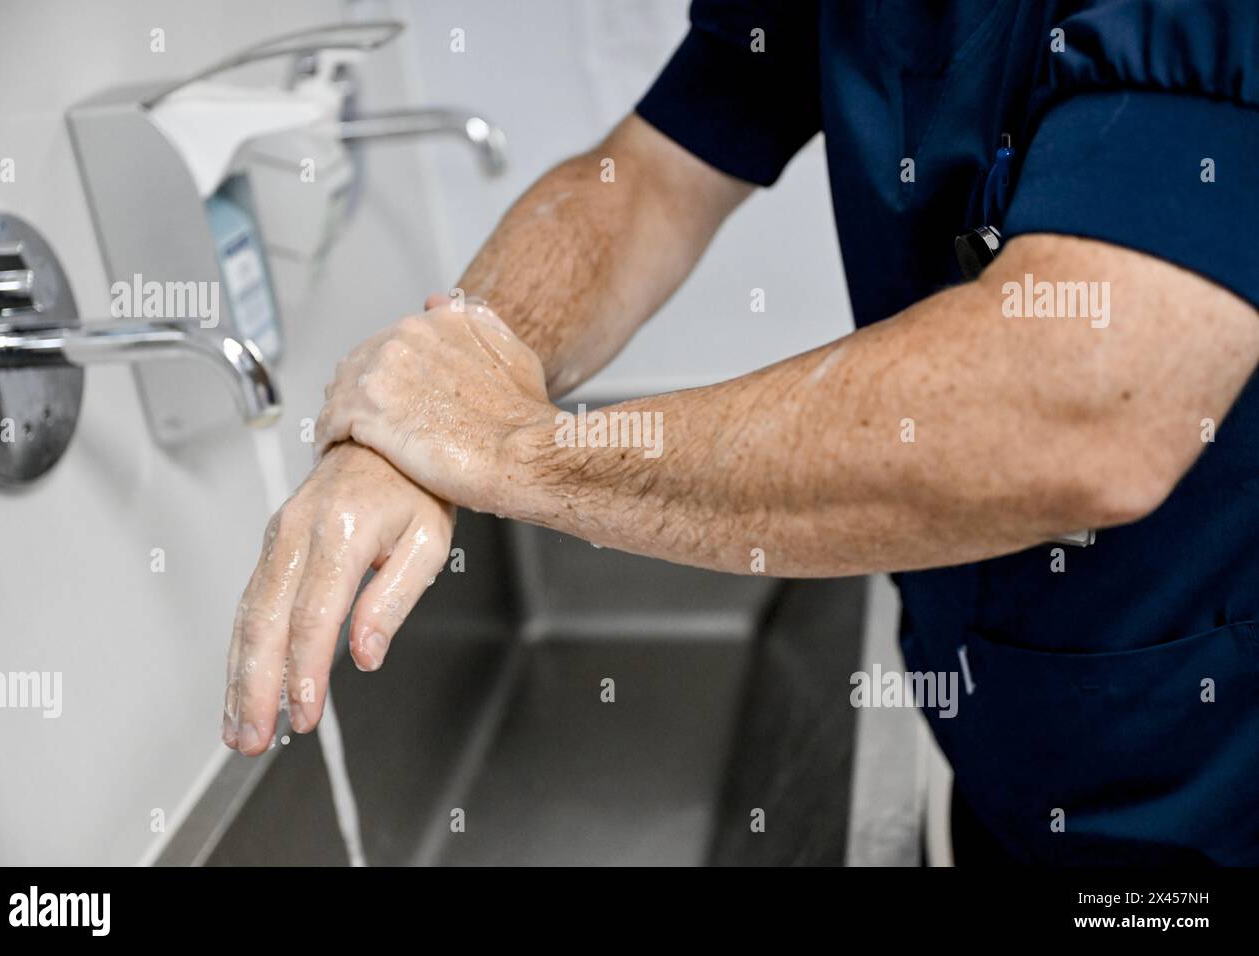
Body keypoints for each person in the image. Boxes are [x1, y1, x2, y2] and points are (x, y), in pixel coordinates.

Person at [223, 1, 1259, 864]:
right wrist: (452, 371)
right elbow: (650, 177)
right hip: (1019, 790)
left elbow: (1079, 405)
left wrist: (504, 450)